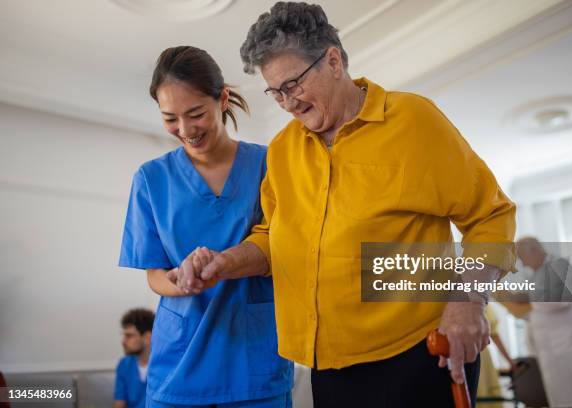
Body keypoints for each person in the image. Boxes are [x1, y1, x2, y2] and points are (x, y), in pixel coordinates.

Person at [175, 2, 516, 406]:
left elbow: (491, 216)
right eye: (275, 92)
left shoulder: (413, 120)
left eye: (293, 84)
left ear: (333, 60)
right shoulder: (284, 150)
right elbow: (273, 239)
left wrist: (468, 302)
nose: (286, 103)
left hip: (416, 355)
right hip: (329, 366)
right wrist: (225, 262)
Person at [118, 46, 293, 408]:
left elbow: (285, 247)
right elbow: (154, 276)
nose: (185, 130)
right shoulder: (151, 179)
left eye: (196, 113)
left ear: (222, 99)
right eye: (170, 118)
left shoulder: (270, 164)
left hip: (254, 361)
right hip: (179, 364)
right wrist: (182, 279)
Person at [517, 237, 572, 407]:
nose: (522, 264)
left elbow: (564, 299)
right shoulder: (540, 273)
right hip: (553, 350)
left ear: (533, 250)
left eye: (522, 257)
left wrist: (528, 297)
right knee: (561, 399)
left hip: (568, 347)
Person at [114, 308, 154, 408]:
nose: (123, 341)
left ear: (147, 338)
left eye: (129, 336)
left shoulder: (165, 366)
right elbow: (119, 403)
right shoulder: (124, 365)